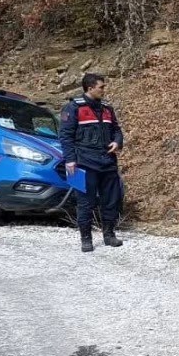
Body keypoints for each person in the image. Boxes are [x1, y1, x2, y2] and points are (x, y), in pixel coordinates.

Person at [60, 72, 125, 253]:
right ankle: (86, 239)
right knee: (85, 203)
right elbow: (65, 137)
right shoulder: (73, 108)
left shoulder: (107, 108)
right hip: (85, 164)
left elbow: (117, 130)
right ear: (90, 88)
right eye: (101, 87)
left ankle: (109, 235)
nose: (104, 89)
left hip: (108, 163)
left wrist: (117, 142)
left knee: (111, 200)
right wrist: (70, 160)